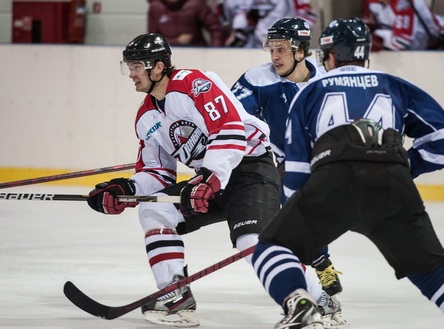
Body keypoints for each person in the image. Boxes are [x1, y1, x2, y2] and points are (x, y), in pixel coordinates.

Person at [85, 33, 340, 327]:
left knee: (253, 242)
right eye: (127, 67)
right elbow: (158, 172)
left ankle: (312, 299)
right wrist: (127, 190)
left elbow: (230, 130)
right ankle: (175, 294)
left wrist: (210, 177)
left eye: (136, 67)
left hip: (249, 170)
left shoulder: (192, 83)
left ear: (157, 67)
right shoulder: (146, 116)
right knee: (154, 210)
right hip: (210, 181)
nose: (130, 74)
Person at [251, 17, 444, 329]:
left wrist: (299, 220)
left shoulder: (310, 92)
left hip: (333, 183)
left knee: (270, 248)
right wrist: (399, 165)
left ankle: (299, 301)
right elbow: (442, 142)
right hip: (393, 183)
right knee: (433, 271)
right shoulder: (395, 85)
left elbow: (298, 173)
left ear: (329, 56)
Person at [231, 17, 345, 301]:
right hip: (274, 159)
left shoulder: (325, 81)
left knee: (311, 209)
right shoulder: (258, 79)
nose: (274, 56)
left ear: (300, 51)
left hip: (317, 158)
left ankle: (319, 261)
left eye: (281, 49)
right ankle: (311, 267)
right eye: (271, 49)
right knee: (290, 212)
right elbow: (231, 118)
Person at [216, 0, 317, 48]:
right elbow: (243, 21)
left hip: (285, 48)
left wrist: (288, 34)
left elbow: (309, 17)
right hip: (254, 49)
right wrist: (240, 33)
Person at [368, 0, 444, 50]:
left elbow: (402, 41)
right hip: (415, 42)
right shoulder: (376, 4)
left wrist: (377, 37)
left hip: (437, 41)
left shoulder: (403, 3)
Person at [147, 0, 223, 46]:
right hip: (166, 55)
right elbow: (152, 38)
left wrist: (215, 51)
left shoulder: (196, 4)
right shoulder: (155, 7)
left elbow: (215, 28)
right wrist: (177, 41)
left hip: (196, 52)